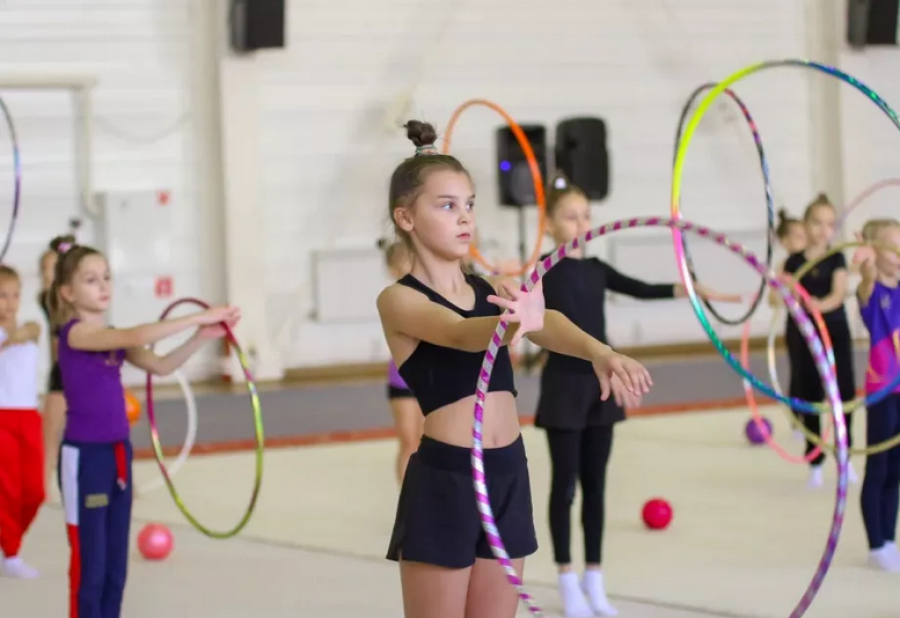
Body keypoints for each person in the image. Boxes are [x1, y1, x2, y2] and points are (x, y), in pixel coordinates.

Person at [377, 120, 653, 618]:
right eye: (446, 205)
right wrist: (512, 326)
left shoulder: (487, 287)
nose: (465, 218)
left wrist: (600, 352)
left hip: (507, 473)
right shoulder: (399, 300)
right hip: (449, 477)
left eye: (469, 204)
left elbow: (548, 321)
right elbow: (461, 332)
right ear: (406, 218)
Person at [535, 173, 741, 617]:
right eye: (570, 216)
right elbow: (528, 322)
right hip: (563, 389)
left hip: (601, 388)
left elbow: (641, 289)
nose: (581, 222)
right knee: (564, 486)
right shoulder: (543, 272)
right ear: (549, 221)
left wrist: (688, 287)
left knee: (596, 487)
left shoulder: (595, 270)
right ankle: (566, 578)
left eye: (586, 215)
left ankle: (595, 578)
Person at [48, 236, 240, 618]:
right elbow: (136, 336)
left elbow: (163, 366)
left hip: (118, 455)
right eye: (91, 280)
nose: (103, 285)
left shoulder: (115, 337)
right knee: (92, 569)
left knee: (117, 569)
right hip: (85, 460)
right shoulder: (74, 334)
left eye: (106, 276)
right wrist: (197, 317)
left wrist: (201, 337)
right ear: (67, 292)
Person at [782, 193, 858, 488]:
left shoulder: (836, 257)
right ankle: (814, 461)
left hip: (835, 332)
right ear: (806, 224)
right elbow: (781, 298)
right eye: (817, 222)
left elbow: (839, 293)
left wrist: (816, 305)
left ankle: (845, 455)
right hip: (805, 336)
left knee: (844, 395)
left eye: (830, 224)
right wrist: (788, 293)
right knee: (811, 396)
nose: (824, 230)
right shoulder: (793, 261)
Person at [855, 218, 900, 571]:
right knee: (879, 466)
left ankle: (888, 538)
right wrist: (867, 270)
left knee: (897, 467)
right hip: (882, 391)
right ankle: (875, 544)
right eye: (891, 246)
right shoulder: (872, 292)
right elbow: (866, 286)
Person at [0, 265, 45, 579]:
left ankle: (7, 541)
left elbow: (31, 331)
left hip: (29, 417)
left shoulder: (30, 327)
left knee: (35, 491)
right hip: (1, 417)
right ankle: (11, 554)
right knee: (7, 490)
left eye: (15, 295)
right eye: (2, 296)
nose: (10, 302)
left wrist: (13, 335)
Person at [379, 239, 424, 484]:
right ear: (394, 270)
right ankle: (409, 504)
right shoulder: (393, 299)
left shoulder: (432, 293)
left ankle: (427, 502)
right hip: (404, 376)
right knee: (409, 442)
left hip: (430, 375)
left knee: (429, 444)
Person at [38, 244, 67, 488]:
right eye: (43, 271)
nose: (46, 277)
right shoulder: (46, 298)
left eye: (52, 270)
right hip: (61, 373)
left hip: (82, 372)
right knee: (49, 435)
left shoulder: (71, 300)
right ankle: (43, 485)